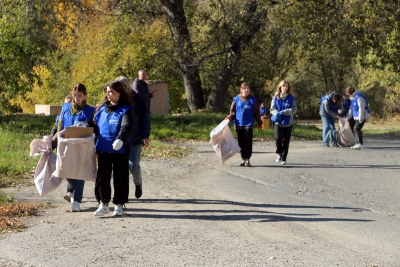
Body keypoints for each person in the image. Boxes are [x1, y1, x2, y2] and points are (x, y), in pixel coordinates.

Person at [93, 81, 134, 216]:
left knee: (120, 176)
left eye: (111, 92)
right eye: (107, 91)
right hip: (103, 148)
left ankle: (119, 204)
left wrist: (121, 139)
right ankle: (103, 203)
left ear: (119, 93)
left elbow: (126, 127)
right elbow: (94, 125)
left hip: (119, 149)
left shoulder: (126, 109)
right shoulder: (101, 109)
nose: (108, 94)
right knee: (102, 177)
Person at [52, 84, 96, 212]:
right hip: (65, 145)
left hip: (81, 147)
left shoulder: (89, 111)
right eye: (75, 95)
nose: (77, 98)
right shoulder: (65, 108)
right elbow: (59, 127)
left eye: (79, 95)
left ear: (84, 96)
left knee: (80, 173)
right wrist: (53, 143)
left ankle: (76, 201)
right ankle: (74, 187)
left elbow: (94, 129)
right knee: (63, 169)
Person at [116, 76, 151, 199]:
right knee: (121, 168)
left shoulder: (138, 100)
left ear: (126, 87)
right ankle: (123, 193)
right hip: (119, 139)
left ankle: (138, 183)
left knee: (133, 164)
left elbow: (145, 118)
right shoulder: (117, 99)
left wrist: (145, 135)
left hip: (135, 137)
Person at [225, 82, 263, 167]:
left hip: (249, 124)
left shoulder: (253, 100)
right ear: (241, 90)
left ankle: (247, 159)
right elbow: (232, 112)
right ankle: (244, 158)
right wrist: (228, 119)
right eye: (244, 88)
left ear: (249, 90)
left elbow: (257, 113)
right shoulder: (236, 99)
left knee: (248, 141)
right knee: (241, 143)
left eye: (247, 88)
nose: (246, 90)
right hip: (239, 124)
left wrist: (260, 123)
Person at [270, 80, 297, 165]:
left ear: (288, 88)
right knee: (278, 138)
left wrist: (284, 112)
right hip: (278, 121)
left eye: (286, 86)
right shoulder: (275, 97)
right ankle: (279, 153)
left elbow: (294, 109)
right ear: (280, 87)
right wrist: (276, 113)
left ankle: (284, 158)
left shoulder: (291, 98)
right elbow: (272, 109)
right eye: (283, 86)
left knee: (286, 140)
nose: (285, 88)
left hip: (288, 122)